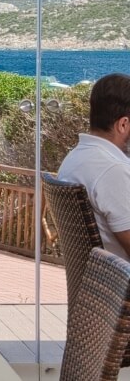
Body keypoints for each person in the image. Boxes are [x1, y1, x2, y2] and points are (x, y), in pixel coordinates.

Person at [58, 73, 130, 261]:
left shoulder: (74, 159)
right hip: (120, 286)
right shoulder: (113, 169)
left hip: (97, 283)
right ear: (123, 124)